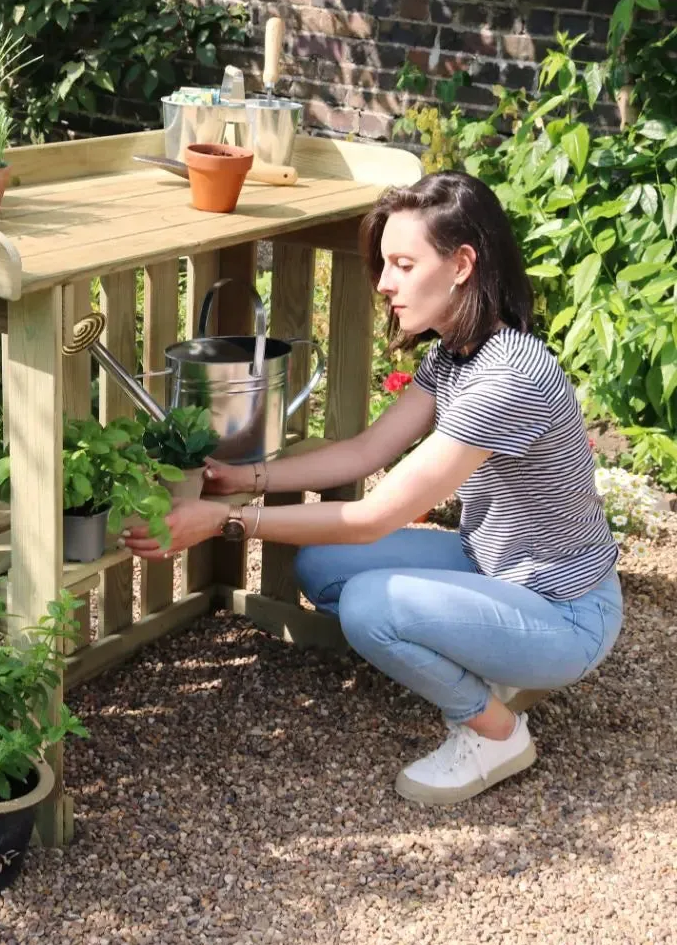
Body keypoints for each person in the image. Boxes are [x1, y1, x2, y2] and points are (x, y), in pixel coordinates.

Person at [122, 171, 623, 805]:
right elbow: (367, 451)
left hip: (565, 613)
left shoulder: (511, 379)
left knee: (367, 605)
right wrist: (243, 477)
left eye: (403, 264)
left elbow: (373, 517)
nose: (385, 283)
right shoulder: (458, 353)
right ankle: (484, 653)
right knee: (323, 567)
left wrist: (225, 521)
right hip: (492, 566)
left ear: (462, 263)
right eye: (385, 264)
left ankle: (495, 731)